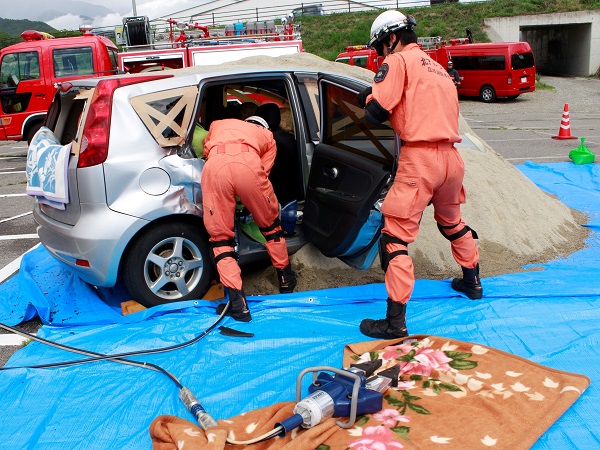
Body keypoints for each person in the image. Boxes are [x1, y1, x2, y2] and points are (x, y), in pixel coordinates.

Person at [356, 10, 482, 339]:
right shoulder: (439, 70)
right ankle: (472, 282)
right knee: (452, 223)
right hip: (452, 160)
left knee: (394, 238)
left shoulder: (398, 63)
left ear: (393, 38)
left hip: (420, 159)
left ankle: (395, 323)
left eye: (381, 46)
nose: (381, 53)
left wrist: (368, 95)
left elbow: (374, 115)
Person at [201, 116, 297, 322]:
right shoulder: (268, 137)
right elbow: (264, 171)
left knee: (220, 239)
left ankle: (238, 305)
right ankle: (286, 280)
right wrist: (245, 199)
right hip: (248, 167)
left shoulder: (217, 124)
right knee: (271, 227)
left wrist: (229, 198)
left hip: (215, 167)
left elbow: (206, 152)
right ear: (262, 126)